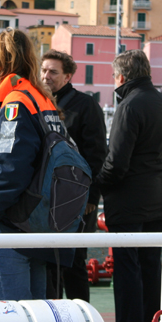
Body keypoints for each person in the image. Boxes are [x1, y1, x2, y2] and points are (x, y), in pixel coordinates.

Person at [0, 27, 68, 301]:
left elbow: (11, 167)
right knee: (36, 312)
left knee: (8, 310)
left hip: (8, 225)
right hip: (36, 225)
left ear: (0, 63)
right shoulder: (42, 100)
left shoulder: (14, 104)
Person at [96, 49, 162, 322]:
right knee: (150, 267)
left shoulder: (129, 106)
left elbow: (117, 163)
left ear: (121, 76)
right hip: (159, 199)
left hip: (129, 203)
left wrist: (97, 187)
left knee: (127, 269)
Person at [41, 49, 107, 302]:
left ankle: (81, 314)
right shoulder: (38, 102)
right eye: (44, 70)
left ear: (67, 76)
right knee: (48, 263)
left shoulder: (85, 105)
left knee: (74, 261)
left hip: (78, 199)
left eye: (53, 72)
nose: (46, 76)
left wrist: (92, 198)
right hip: (45, 200)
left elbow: (97, 154)